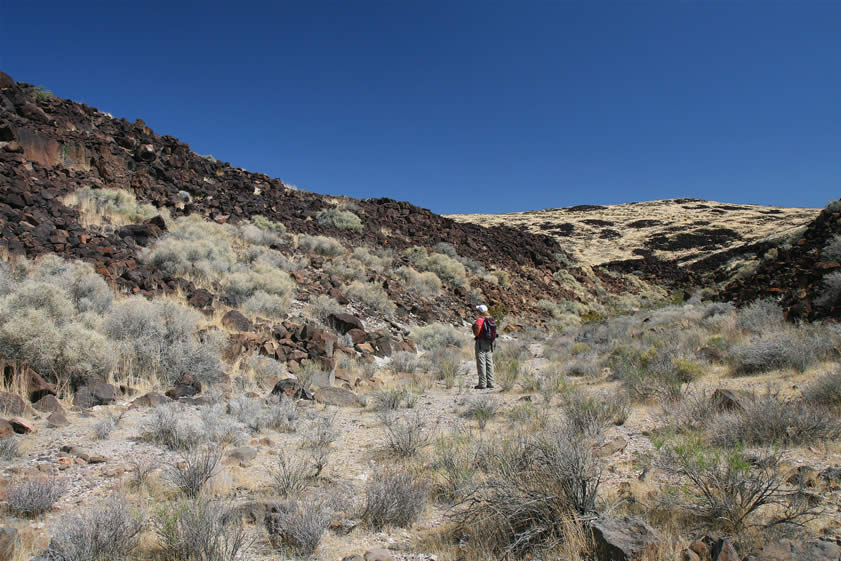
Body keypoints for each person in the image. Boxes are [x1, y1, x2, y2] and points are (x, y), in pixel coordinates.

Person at [472, 304, 496, 389]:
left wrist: (475, 332)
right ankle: (491, 383)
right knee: (489, 363)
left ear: (480, 311)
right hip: (490, 343)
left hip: (481, 343)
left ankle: (482, 384)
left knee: (481, 363)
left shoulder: (480, 319)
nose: (477, 311)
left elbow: (477, 332)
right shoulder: (491, 319)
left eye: (478, 310)